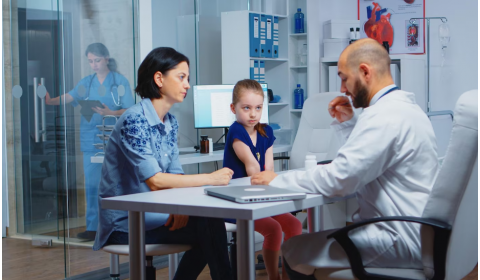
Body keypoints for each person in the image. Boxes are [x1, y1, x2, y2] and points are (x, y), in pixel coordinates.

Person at [251, 38, 439, 279]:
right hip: (416, 233)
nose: (342, 89)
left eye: (343, 77)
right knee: (312, 245)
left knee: (292, 249)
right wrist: (350, 124)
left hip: (398, 238)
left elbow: (340, 179)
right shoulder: (406, 110)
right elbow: (370, 160)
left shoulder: (382, 116)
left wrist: (277, 180)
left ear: (364, 72)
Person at [92, 47, 234, 280]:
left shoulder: (170, 122)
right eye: (181, 77)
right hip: (125, 226)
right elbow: (156, 180)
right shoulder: (134, 119)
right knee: (208, 227)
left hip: (156, 215)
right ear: (159, 78)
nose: (187, 84)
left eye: (187, 78)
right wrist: (211, 178)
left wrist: (178, 207)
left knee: (209, 224)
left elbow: (175, 177)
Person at [45, 43, 135, 241]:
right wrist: (52, 101)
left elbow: (129, 108)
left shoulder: (119, 81)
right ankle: (93, 228)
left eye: (97, 60)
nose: (94, 65)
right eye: (90, 61)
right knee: (92, 185)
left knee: (115, 184)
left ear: (107, 59)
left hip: (113, 138)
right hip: (90, 140)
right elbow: (70, 96)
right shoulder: (87, 82)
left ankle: (116, 226)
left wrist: (110, 112)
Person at [223, 79, 303, 280]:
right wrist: (268, 180)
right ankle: (273, 276)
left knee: (294, 225)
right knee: (273, 228)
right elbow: (253, 168)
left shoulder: (267, 131)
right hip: (237, 202)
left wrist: (271, 184)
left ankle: (288, 276)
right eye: (246, 108)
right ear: (233, 108)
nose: (253, 114)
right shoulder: (236, 130)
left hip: (261, 197)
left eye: (258, 108)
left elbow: (269, 170)